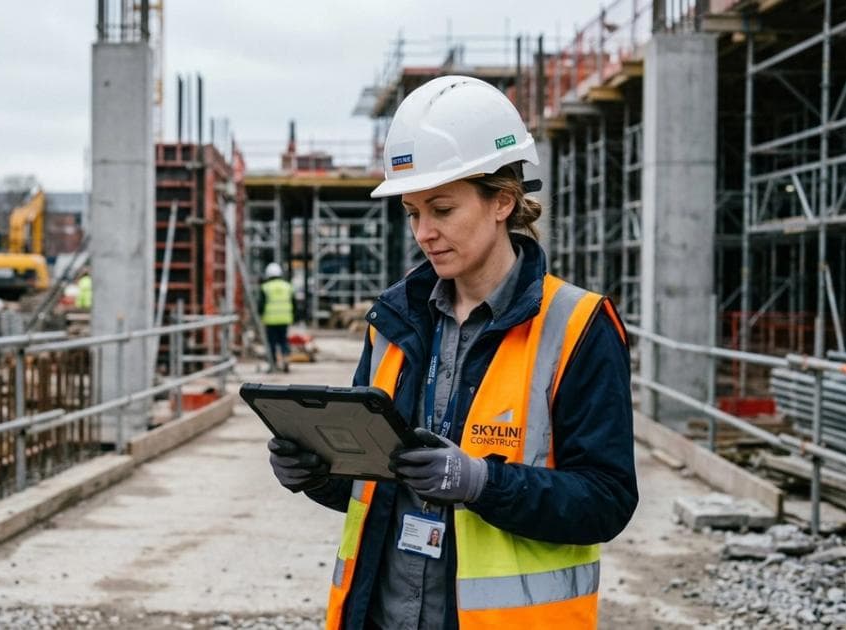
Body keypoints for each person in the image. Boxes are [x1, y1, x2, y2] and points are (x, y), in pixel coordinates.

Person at [266, 75, 637, 629]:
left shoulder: (577, 327)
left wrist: (483, 483)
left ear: (503, 203)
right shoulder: (393, 322)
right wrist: (318, 472)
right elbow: (376, 488)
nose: (424, 232)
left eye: (442, 209)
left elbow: (605, 500)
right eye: (413, 212)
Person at [259, 262, 296, 373]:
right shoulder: (287, 286)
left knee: (272, 343)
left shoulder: (265, 287)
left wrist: (260, 315)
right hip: (284, 319)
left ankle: (273, 364)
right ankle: (285, 360)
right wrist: (294, 315)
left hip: (270, 320)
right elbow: (294, 303)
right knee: (283, 341)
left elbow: (261, 304)